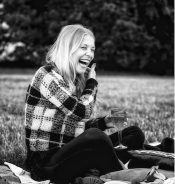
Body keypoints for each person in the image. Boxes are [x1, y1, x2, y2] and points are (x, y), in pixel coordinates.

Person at [24, 24, 145, 184]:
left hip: (71, 153)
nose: (89, 54)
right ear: (67, 48)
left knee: (133, 133)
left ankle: (98, 169)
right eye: (83, 47)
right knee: (97, 137)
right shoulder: (46, 76)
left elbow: (76, 128)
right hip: (46, 166)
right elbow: (81, 112)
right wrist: (92, 82)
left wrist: (106, 122)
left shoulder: (73, 81)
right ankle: (122, 173)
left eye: (92, 49)